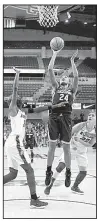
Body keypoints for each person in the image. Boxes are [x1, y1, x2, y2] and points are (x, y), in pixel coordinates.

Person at [4, 67, 48, 208]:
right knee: (30, 170)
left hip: (12, 143)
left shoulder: (23, 112)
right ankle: (34, 199)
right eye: (14, 97)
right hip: (15, 142)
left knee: (12, 174)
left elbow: (36, 109)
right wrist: (17, 75)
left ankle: (34, 199)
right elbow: (15, 89)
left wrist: (51, 106)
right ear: (12, 100)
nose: (17, 97)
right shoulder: (13, 109)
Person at [45, 49, 79, 188]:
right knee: (51, 147)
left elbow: (76, 77)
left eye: (67, 76)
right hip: (53, 117)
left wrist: (72, 62)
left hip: (66, 117)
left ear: (69, 81)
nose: (64, 76)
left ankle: (69, 172)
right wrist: (54, 53)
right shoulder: (55, 87)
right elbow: (50, 69)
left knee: (66, 148)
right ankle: (48, 171)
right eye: (63, 76)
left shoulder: (72, 90)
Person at [44, 110, 96, 195]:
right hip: (71, 148)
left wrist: (79, 140)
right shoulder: (81, 125)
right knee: (60, 167)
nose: (90, 116)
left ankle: (75, 186)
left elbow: (90, 144)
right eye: (89, 115)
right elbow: (68, 133)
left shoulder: (95, 132)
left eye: (93, 115)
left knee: (83, 172)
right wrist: (70, 142)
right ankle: (50, 185)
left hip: (81, 151)